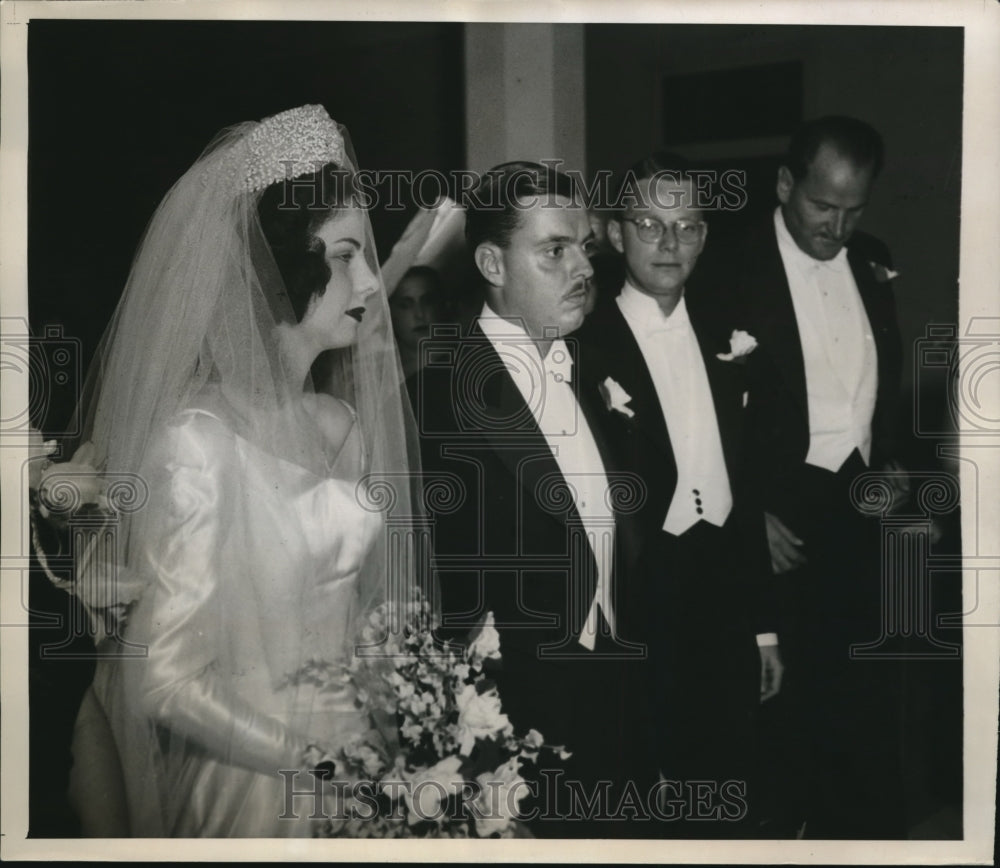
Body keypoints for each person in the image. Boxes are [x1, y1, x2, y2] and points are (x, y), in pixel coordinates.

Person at [58, 105, 423, 837]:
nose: (374, 283)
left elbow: (366, 619)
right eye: (348, 255)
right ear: (280, 261)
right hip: (257, 784)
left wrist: (397, 736)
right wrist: (317, 761)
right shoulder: (199, 441)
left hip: (365, 767)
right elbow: (163, 682)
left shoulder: (340, 427)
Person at [411, 162, 656, 837]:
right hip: (512, 718)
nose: (583, 266)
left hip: (614, 683)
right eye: (554, 249)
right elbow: (433, 593)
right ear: (492, 262)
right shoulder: (438, 400)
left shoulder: (595, 367)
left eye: (585, 247)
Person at [576, 153, 782, 838]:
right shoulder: (586, 343)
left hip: (723, 583)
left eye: (688, 226)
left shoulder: (729, 330)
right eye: (650, 224)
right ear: (612, 234)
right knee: (648, 794)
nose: (671, 244)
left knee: (729, 777)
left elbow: (746, 488)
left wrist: (763, 627)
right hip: (642, 587)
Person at [710, 115, 906, 838]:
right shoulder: (727, 263)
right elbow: (698, 409)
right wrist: (744, 515)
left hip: (855, 516)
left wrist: (887, 461)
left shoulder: (874, 259)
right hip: (775, 520)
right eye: (823, 206)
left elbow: (881, 374)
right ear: (787, 184)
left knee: (857, 717)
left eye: (854, 211)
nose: (838, 227)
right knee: (779, 732)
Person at [389, 265, 446, 377]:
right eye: (405, 305)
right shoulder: (383, 378)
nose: (419, 314)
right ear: (390, 312)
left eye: (427, 302)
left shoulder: (468, 358)